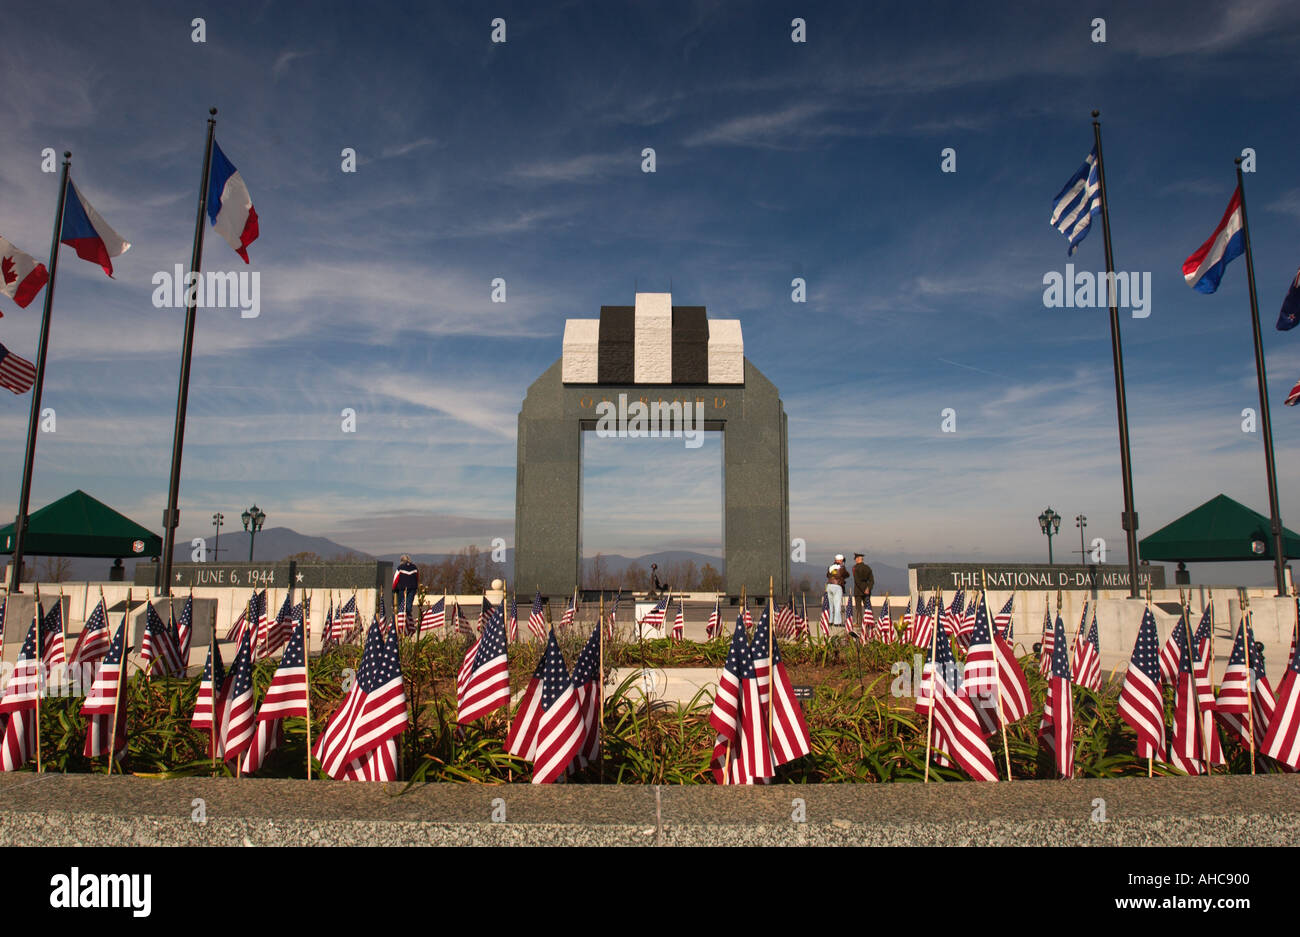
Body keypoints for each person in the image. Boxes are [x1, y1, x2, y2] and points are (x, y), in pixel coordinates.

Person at [826, 554, 849, 627]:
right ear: (841, 560)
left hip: (829, 585)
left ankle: (830, 620)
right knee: (837, 604)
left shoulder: (830, 567)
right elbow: (847, 575)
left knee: (831, 604)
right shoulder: (841, 567)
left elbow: (827, 575)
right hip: (837, 586)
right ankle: (837, 622)